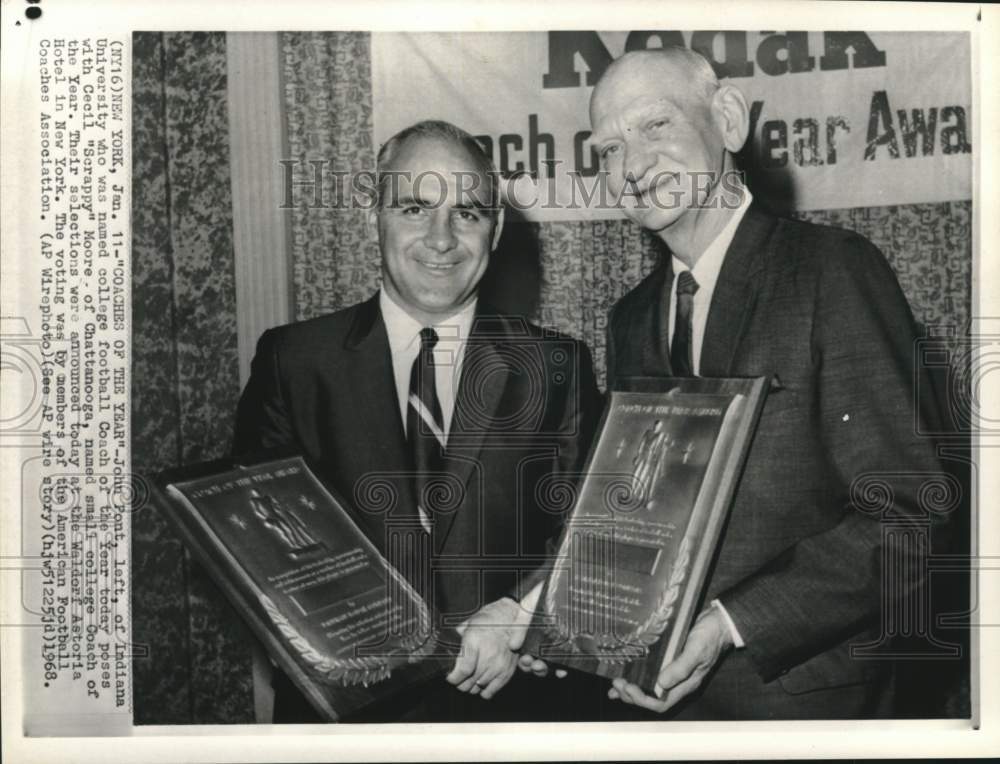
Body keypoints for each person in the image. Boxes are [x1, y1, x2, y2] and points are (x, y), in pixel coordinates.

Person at [585, 48, 947, 719]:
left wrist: (729, 624)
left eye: (654, 127)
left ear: (725, 118)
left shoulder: (830, 272)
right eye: (606, 149)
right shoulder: (630, 318)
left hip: (809, 704)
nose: (631, 168)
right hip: (664, 703)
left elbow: (910, 519)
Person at [233, 119, 601, 722]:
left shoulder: (557, 365)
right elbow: (255, 545)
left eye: (468, 213)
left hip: (510, 715)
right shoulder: (294, 360)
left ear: (496, 228)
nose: (441, 238)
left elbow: (589, 534)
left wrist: (521, 614)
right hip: (345, 718)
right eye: (414, 208)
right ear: (371, 215)